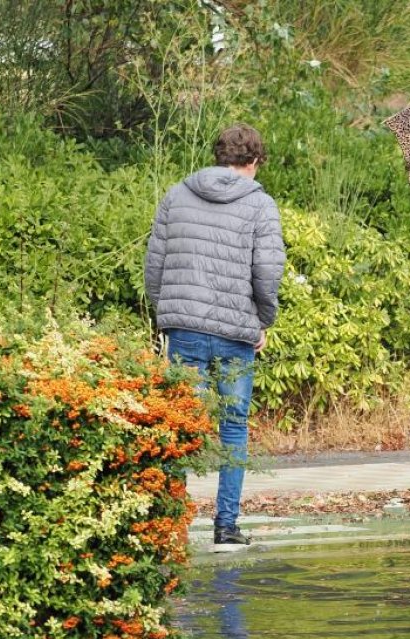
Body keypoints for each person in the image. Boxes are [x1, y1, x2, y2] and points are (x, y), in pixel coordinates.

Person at [145, 123, 286, 546]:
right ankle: (226, 527)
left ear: (219, 156)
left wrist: (167, 313)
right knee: (233, 426)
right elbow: (267, 272)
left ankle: (173, 526)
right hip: (234, 333)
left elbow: (155, 266)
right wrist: (263, 320)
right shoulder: (261, 205)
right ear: (254, 161)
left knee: (180, 425)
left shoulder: (176, 194)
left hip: (182, 328)